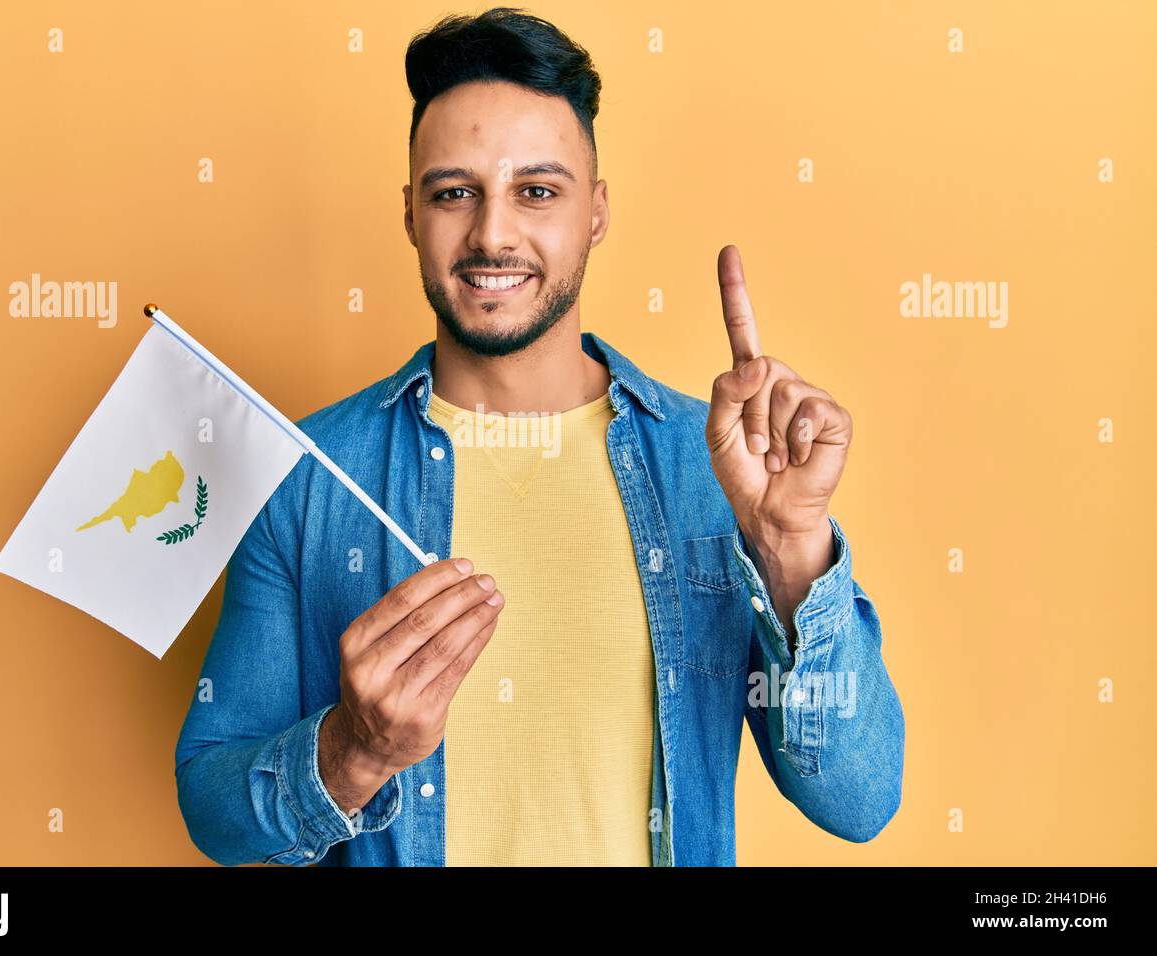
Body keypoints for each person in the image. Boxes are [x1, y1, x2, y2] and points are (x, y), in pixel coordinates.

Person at [174, 6, 904, 867]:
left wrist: (789, 547)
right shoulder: (310, 478)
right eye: (455, 192)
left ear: (595, 212)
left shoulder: (713, 465)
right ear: (411, 213)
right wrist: (350, 755)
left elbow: (860, 798)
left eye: (537, 191)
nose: (492, 233)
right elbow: (213, 807)